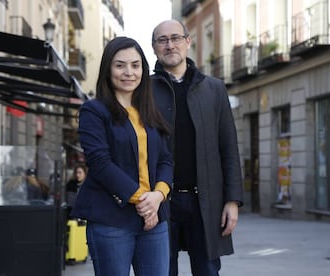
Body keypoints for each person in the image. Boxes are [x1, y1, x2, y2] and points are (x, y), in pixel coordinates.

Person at [71, 36, 173, 276]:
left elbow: (166, 160)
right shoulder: (93, 111)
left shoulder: (150, 112)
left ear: (143, 70)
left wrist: (158, 196)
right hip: (111, 220)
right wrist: (143, 201)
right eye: (120, 65)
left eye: (135, 65)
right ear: (108, 69)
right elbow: (100, 163)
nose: (129, 72)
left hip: (155, 219)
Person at [150, 19, 244, 276]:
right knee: (160, 270)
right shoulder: (143, 90)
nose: (170, 45)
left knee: (207, 271)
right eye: (162, 40)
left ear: (188, 42)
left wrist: (232, 200)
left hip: (206, 201)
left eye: (176, 38)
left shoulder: (214, 89)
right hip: (160, 202)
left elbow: (228, 146)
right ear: (154, 47)